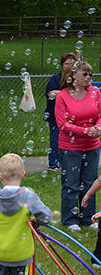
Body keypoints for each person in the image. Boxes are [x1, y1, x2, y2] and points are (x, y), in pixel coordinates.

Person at [55, 60, 101, 232]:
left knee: (90, 182)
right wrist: (87, 131)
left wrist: (98, 127)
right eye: (85, 74)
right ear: (73, 75)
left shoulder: (95, 92)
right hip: (70, 147)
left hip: (92, 146)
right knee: (71, 183)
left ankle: (88, 218)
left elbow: (100, 114)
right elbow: (62, 124)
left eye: (90, 74)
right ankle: (70, 219)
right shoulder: (62, 96)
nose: (88, 77)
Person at [44, 52, 77, 171]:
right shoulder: (56, 78)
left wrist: (62, 93)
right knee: (55, 140)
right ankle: (54, 164)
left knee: (71, 141)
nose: (69, 66)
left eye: (72, 63)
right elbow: (51, 93)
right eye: (66, 63)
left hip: (73, 116)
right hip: (55, 116)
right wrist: (69, 93)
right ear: (62, 65)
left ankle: (67, 163)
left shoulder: (77, 78)